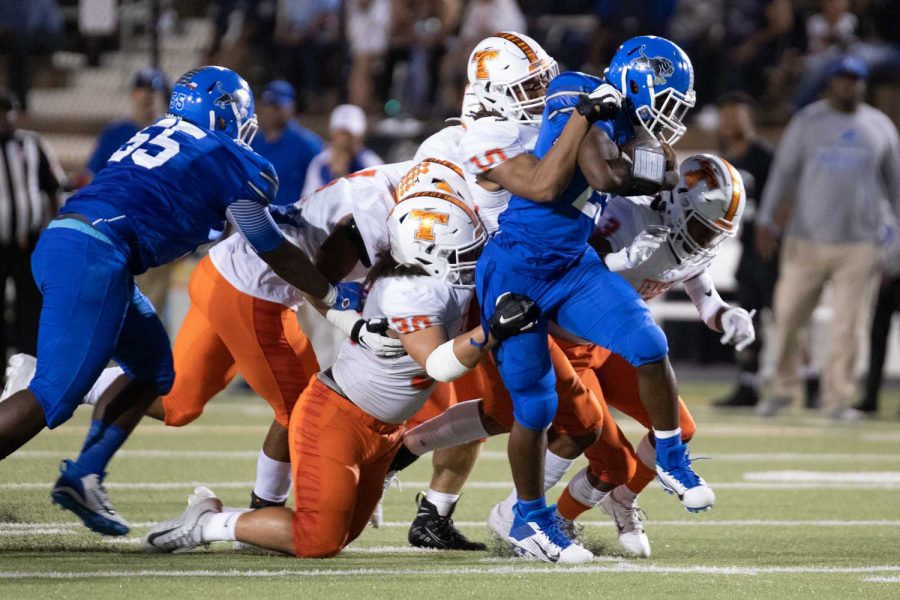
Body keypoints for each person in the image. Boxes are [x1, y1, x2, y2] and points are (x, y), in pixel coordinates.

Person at [0, 66, 362, 537]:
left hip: (73, 242)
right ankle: (68, 441)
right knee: (53, 394)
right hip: (97, 254)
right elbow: (264, 242)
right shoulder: (231, 156)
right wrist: (331, 295)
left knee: (155, 370)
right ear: (226, 112)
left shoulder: (158, 132)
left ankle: (85, 475)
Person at [142, 188, 539, 559]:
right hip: (336, 421)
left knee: (342, 534)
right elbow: (438, 364)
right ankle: (209, 523)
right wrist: (492, 331)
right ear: (425, 253)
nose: (470, 260)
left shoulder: (438, 277)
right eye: (461, 252)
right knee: (319, 540)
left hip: (384, 431)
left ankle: (233, 519)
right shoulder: (406, 291)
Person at [473, 35, 712, 560]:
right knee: (535, 405)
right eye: (665, 103)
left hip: (573, 264)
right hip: (518, 264)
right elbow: (604, 175)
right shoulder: (576, 92)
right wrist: (628, 156)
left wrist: (640, 162)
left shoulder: (622, 118)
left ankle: (670, 454)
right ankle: (529, 521)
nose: (667, 120)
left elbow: (670, 169)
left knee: (648, 342)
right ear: (634, 82)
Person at [399, 32, 620, 553]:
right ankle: (524, 519)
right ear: (491, 92)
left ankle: (432, 501)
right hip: (479, 294)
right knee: (542, 413)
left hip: (523, 291)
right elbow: (542, 187)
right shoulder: (474, 140)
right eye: (527, 86)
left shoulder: (534, 127)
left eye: (543, 81)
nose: (540, 93)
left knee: (506, 412)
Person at [552, 154, 752, 558]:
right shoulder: (627, 215)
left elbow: (706, 300)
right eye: (700, 226)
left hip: (617, 343)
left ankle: (620, 501)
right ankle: (548, 521)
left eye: (715, 233)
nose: (705, 239)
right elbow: (564, 272)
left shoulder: (691, 242)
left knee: (678, 429)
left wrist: (728, 315)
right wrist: (614, 263)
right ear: (677, 204)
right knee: (613, 461)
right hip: (570, 343)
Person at [755, 56, 900, 420]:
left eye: (856, 80)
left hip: (860, 245)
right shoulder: (807, 123)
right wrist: (766, 220)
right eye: (842, 79)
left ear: (863, 85)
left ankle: (838, 400)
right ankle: (785, 389)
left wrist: (895, 242)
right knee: (787, 317)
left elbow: (896, 189)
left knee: (849, 328)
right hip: (805, 241)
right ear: (830, 83)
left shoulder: (880, 126)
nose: (848, 86)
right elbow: (782, 175)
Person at [80, 68, 175, 319]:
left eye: (154, 91)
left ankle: (152, 357)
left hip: (157, 231)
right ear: (134, 93)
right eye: (144, 90)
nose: (149, 97)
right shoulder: (116, 132)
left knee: (153, 309)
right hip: (119, 229)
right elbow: (92, 180)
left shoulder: (172, 133)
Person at [712, 92, 777, 408]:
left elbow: (784, 198)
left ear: (748, 116)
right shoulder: (726, 158)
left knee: (783, 315)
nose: (729, 121)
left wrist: (775, 233)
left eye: (735, 114)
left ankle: (810, 378)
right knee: (747, 312)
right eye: (724, 115)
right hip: (746, 249)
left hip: (771, 249)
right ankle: (747, 384)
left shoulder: (764, 156)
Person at [0, 88, 66, 387]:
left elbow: (53, 188)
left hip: (29, 242)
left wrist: (54, 232)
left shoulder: (31, 144)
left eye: (6, 111)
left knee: (31, 307)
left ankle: (30, 370)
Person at [250, 80, 324, 206]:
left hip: (294, 221)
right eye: (268, 105)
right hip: (256, 220)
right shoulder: (253, 142)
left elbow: (322, 184)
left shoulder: (308, 144)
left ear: (290, 107)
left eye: (277, 106)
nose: (272, 111)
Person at [302, 104, 382, 195]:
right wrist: (333, 175)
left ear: (360, 135)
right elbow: (309, 201)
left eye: (349, 135)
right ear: (332, 133)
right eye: (341, 133)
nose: (344, 140)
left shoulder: (371, 163)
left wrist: (342, 175)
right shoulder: (320, 162)